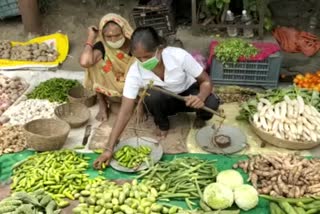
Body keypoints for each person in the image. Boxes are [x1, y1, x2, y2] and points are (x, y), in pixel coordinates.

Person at [93, 26, 220, 169]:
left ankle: (200, 116)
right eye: (138, 58)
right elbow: (125, 111)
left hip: (189, 95)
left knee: (211, 102)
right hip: (165, 100)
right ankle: (163, 123)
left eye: (147, 56)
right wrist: (109, 148)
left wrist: (201, 97)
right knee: (151, 96)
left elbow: (206, 81)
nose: (143, 62)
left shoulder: (178, 56)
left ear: (159, 49)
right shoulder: (135, 71)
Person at [79, 13, 135, 121]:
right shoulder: (102, 45)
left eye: (117, 35)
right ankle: (103, 103)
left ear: (124, 31)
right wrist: (91, 37)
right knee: (94, 63)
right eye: (109, 36)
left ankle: (135, 104)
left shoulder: (135, 43)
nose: (113, 40)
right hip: (114, 88)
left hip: (134, 87)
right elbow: (85, 62)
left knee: (130, 111)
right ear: (103, 36)